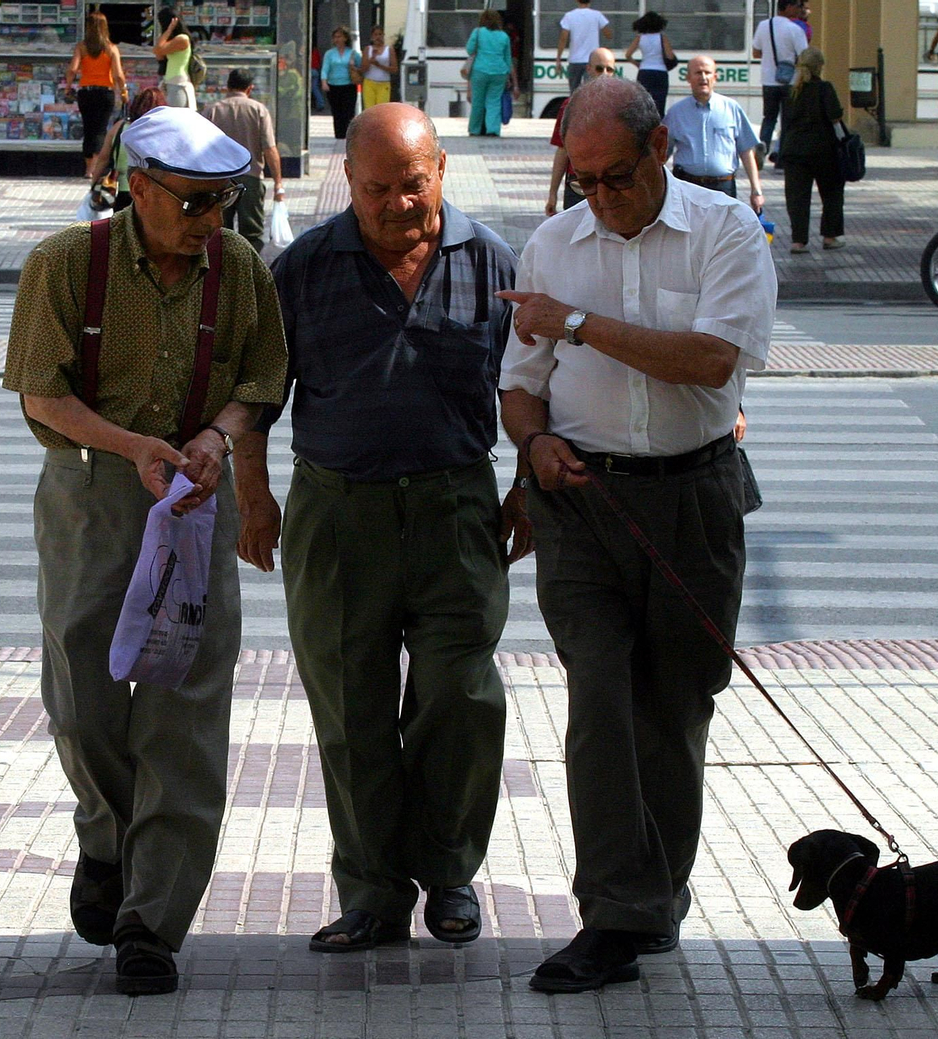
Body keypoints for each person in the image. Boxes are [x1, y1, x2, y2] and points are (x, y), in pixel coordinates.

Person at [496, 76, 774, 994]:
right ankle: (615, 912)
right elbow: (520, 383)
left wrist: (576, 322)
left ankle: (658, 893)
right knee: (601, 709)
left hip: (695, 498)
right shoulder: (552, 243)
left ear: (661, 151)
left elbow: (708, 361)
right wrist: (534, 442)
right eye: (582, 181)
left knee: (674, 711)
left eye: (616, 176)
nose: (601, 198)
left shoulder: (726, 231)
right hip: (583, 504)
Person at [2, 105, 286, 996]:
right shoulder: (64, 264)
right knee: (82, 689)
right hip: (94, 492)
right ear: (136, 186)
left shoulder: (236, 270)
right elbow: (42, 394)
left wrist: (218, 439)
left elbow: (261, 380)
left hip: (195, 499)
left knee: (185, 706)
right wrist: (134, 448)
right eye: (197, 203)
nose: (214, 223)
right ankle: (107, 835)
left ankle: (152, 919)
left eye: (227, 203)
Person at [236, 102, 530, 956]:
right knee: (351, 708)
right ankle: (370, 892)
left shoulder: (492, 261)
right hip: (338, 513)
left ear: (440, 170)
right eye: (376, 190)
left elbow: (537, 383)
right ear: (346, 184)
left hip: (457, 509)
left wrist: (530, 488)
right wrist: (256, 500)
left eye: (412, 184)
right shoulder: (302, 269)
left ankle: (449, 875)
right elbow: (257, 402)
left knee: (460, 698)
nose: (398, 204)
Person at [663, 56, 764, 213]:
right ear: (688, 78)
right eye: (698, 73)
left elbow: (746, 151)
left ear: (715, 77)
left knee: (722, 235)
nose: (703, 77)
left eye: (707, 73)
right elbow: (662, 153)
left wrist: (756, 190)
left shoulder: (732, 109)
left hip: (723, 187)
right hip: (688, 186)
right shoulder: (676, 112)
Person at [204, 68, 284, 254]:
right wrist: (278, 183)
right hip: (251, 177)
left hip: (219, 180)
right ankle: (249, 270)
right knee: (252, 233)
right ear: (250, 88)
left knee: (219, 231)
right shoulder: (258, 110)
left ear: (227, 87)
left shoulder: (212, 110)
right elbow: (269, 149)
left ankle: (221, 271)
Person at [778, 47, 844, 252]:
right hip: (824, 150)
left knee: (797, 199)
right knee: (831, 194)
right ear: (819, 67)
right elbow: (835, 116)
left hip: (794, 150)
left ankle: (798, 241)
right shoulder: (825, 89)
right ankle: (829, 237)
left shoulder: (791, 92)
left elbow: (785, 122)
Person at [545, 48, 618, 214]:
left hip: (612, 185)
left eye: (610, 69)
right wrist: (552, 194)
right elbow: (563, 151)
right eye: (599, 68)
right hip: (579, 186)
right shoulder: (571, 106)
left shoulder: (623, 107)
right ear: (589, 69)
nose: (604, 74)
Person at [87, 87, 168, 213]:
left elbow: (103, 159)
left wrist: (93, 186)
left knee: (122, 229)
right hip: (151, 192)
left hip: (122, 190)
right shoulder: (162, 130)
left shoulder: (119, 127)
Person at [752, 0, 808, 163]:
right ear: (788, 7)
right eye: (798, 6)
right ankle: (782, 157)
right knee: (788, 120)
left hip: (768, 81)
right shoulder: (795, 30)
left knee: (769, 117)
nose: (800, 10)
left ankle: (762, 144)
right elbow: (804, 57)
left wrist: (770, 58)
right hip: (790, 82)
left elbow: (756, 52)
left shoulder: (764, 26)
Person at [67, 12, 127, 163]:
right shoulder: (111, 49)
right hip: (105, 92)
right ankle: (97, 167)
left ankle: (89, 168)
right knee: (101, 130)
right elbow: (118, 74)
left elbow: (73, 69)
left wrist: (68, 86)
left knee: (88, 129)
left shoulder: (81, 47)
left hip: (86, 92)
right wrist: (123, 91)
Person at [466, 10, 516, 138]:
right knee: (494, 101)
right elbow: (508, 59)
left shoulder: (477, 33)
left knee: (478, 101)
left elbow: (470, 49)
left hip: (479, 71)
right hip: (499, 72)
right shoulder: (504, 36)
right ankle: (492, 130)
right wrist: (513, 80)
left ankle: (475, 129)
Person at [556, 0, 611, 92]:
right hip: (592, 60)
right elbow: (609, 35)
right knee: (590, 91)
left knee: (574, 92)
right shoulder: (597, 15)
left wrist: (558, 59)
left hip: (574, 60)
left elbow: (563, 38)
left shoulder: (569, 16)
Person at [625, 11, 675, 111]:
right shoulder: (662, 38)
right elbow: (670, 56)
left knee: (644, 102)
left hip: (644, 71)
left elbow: (628, 55)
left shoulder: (640, 38)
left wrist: (637, 64)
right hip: (660, 72)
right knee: (660, 103)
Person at [321, 27, 360, 140]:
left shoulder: (352, 53)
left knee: (348, 112)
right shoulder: (330, 53)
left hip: (349, 85)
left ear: (345, 38)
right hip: (333, 86)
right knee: (337, 112)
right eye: (335, 37)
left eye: (339, 36)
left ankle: (349, 135)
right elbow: (325, 68)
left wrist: (354, 66)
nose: (337, 39)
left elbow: (361, 67)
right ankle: (339, 135)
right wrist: (324, 82)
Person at [155, 8, 196, 111]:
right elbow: (158, 53)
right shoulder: (171, 41)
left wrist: (168, 30)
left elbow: (158, 50)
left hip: (178, 82)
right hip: (169, 81)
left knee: (175, 114)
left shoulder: (182, 39)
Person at [361, 26, 397, 110]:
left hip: (384, 83)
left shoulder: (389, 49)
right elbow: (363, 69)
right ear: (372, 37)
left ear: (383, 35)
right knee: (369, 109)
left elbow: (394, 69)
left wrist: (379, 65)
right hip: (369, 82)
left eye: (380, 34)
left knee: (381, 109)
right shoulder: (368, 49)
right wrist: (371, 60)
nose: (378, 37)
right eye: (375, 34)